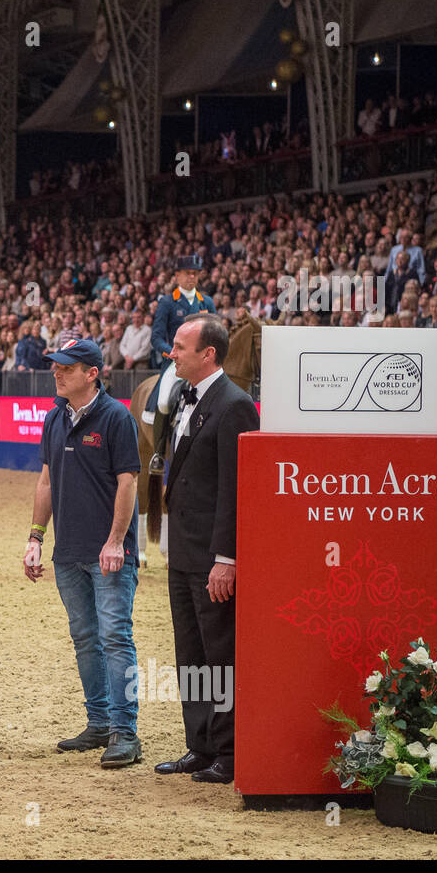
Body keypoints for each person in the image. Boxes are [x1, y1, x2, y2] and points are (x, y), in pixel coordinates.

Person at [24, 338, 142, 768]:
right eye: (56, 366)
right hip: (67, 551)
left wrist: (116, 541)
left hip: (109, 552)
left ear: (92, 373)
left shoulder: (116, 417)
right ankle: (98, 722)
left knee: (115, 637)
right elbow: (46, 481)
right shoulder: (54, 417)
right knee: (86, 638)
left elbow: (128, 482)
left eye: (67, 368)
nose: (57, 373)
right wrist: (36, 537)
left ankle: (125, 731)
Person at [154, 315, 259, 784]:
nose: (171, 353)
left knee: (220, 654)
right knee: (190, 654)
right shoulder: (180, 395)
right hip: (182, 555)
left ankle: (230, 750)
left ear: (208, 354)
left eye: (179, 347)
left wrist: (226, 558)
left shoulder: (236, 406)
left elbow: (235, 491)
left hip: (212, 559)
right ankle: (198, 744)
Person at [146, 255, 216, 454]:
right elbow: (157, 337)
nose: (191, 277)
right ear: (177, 275)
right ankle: (159, 453)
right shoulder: (168, 302)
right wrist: (173, 353)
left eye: (195, 273)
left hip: (204, 363)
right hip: (177, 363)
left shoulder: (207, 302)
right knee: (163, 402)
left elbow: (216, 334)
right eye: (187, 273)